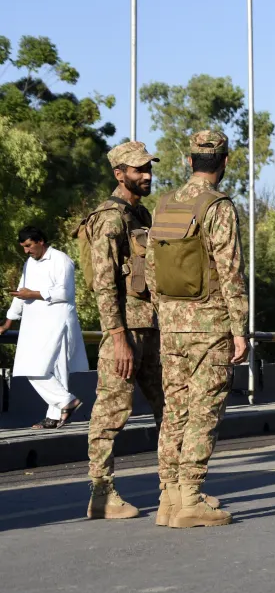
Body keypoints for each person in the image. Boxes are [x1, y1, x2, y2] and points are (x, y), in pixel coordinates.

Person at [146, 131, 248, 529]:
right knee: (204, 412)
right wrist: (239, 328)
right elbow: (231, 271)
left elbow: (151, 270)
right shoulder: (218, 207)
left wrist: (166, 314)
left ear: (189, 161)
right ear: (225, 162)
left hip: (171, 327)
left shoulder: (164, 204)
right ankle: (191, 498)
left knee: (174, 411)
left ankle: (168, 498)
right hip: (210, 326)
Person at [79, 142, 163, 519]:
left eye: (148, 168)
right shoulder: (110, 218)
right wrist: (118, 339)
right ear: (119, 174)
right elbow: (104, 284)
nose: (147, 174)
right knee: (111, 413)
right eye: (138, 169)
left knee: (172, 408)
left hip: (151, 328)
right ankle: (101, 494)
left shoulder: (140, 213)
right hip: (125, 333)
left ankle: (177, 488)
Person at [2, 226, 87, 429]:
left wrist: (31, 294)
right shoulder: (30, 263)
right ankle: (66, 402)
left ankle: (55, 416)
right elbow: (21, 293)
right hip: (34, 324)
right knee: (30, 367)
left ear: (40, 241)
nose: (26, 251)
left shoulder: (61, 260)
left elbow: (64, 293)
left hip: (58, 322)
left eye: (29, 246)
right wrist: (8, 322)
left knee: (57, 369)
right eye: (23, 247)